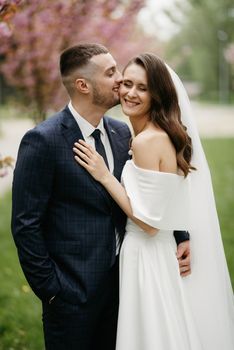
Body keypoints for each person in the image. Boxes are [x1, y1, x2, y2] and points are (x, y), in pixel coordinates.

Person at [11, 44, 190, 350]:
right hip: (71, 298)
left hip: (125, 289)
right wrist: (52, 290)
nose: (120, 79)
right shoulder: (44, 140)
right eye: (111, 73)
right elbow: (26, 224)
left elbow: (150, 191)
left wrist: (180, 235)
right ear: (83, 85)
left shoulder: (123, 134)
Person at [74, 53, 234, 349]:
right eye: (127, 84)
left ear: (157, 94)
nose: (131, 93)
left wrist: (105, 175)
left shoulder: (147, 141)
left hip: (146, 253)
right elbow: (166, 202)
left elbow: (147, 223)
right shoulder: (156, 135)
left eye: (143, 88)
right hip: (157, 252)